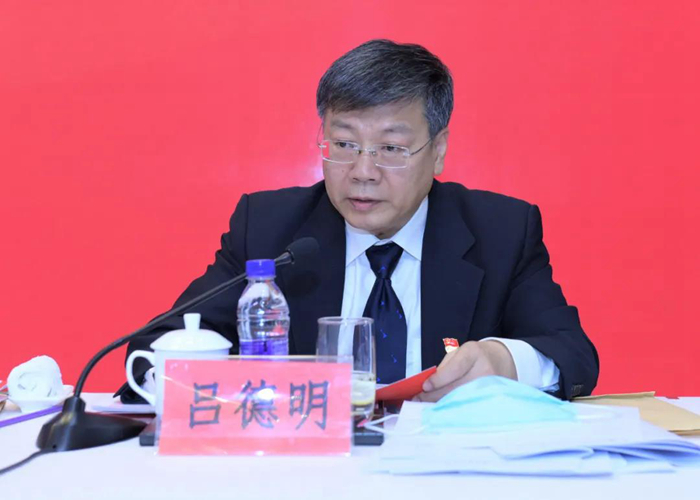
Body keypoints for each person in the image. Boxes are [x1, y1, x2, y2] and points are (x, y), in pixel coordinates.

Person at [119, 39, 598, 403]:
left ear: (438, 151)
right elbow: (155, 349)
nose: (363, 171)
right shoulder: (269, 229)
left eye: (390, 148)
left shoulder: (501, 231)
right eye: (345, 144)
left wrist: (503, 361)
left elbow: (573, 355)